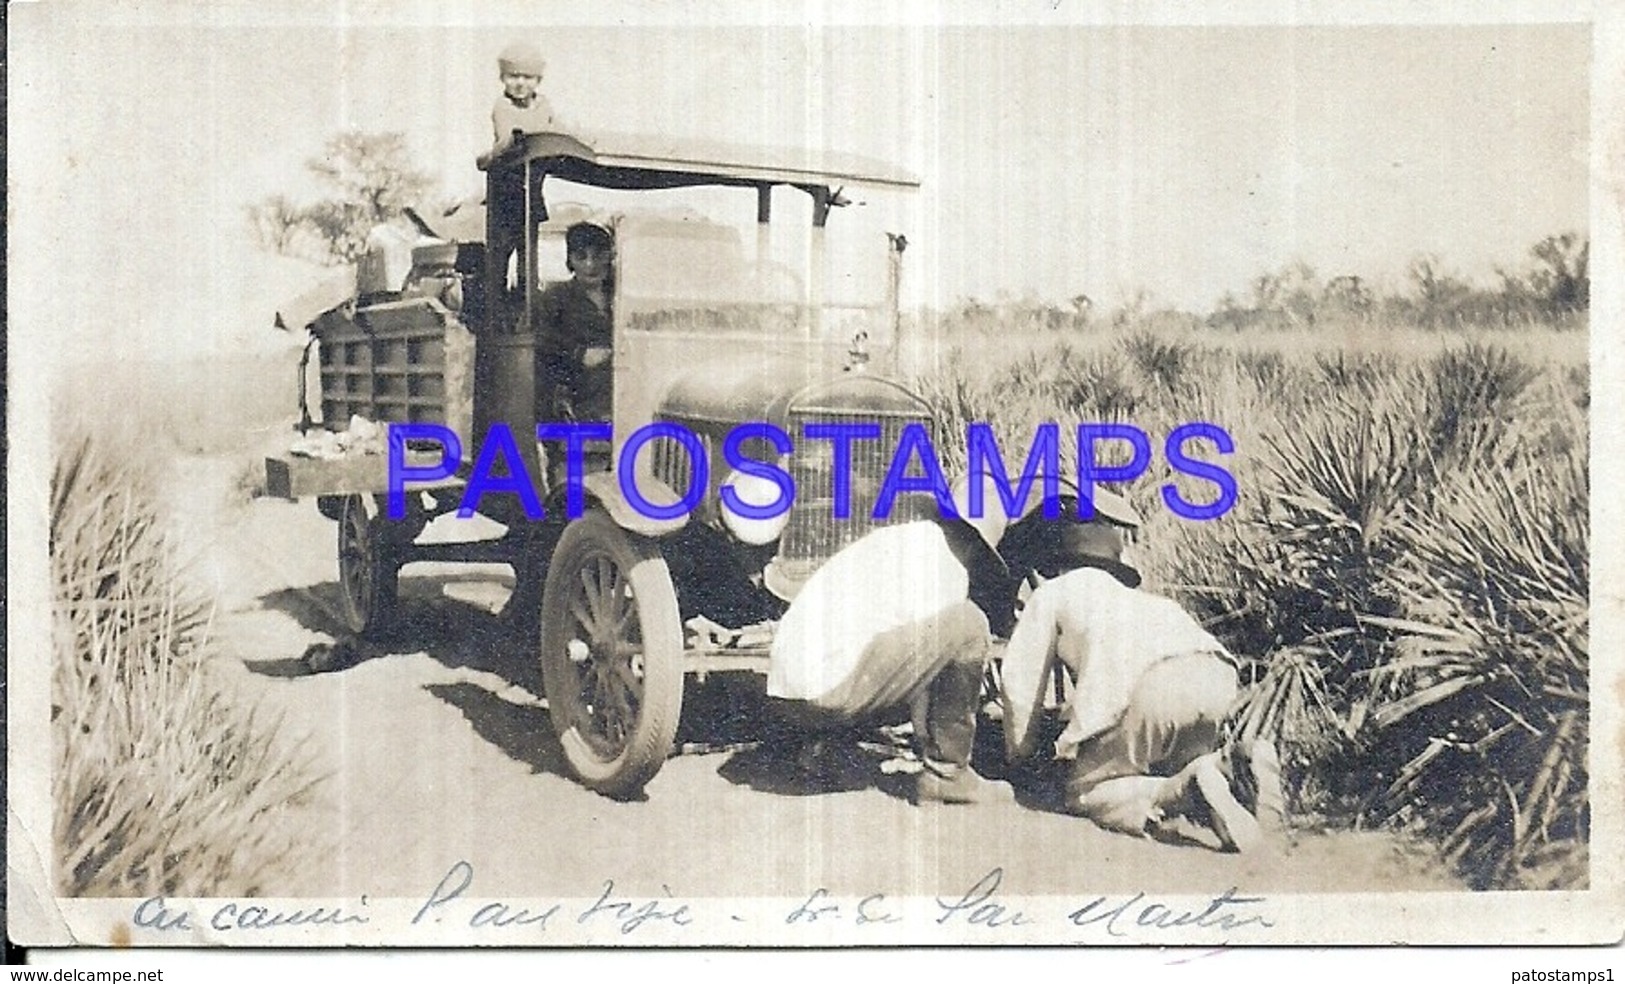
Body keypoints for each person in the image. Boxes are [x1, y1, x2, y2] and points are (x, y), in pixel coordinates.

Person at [996, 486, 1285, 852]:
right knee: (1169, 760)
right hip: (1214, 676)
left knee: (1086, 790)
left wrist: (1020, 757)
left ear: (1052, 564)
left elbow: (1020, 687)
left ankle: (1184, 789)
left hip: (1150, 687)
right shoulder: (1149, 601)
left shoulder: (1054, 592)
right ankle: (1233, 763)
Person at [766, 479, 1016, 805]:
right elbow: (925, 679)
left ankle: (825, 747)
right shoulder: (948, 567)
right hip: (827, 692)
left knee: (871, 644)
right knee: (970, 625)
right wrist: (927, 741)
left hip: (786, 692)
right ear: (977, 544)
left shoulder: (895, 540)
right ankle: (948, 775)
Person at [534, 221, 615, 426]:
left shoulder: (623, 295)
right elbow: (542, 340)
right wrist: (580, 354)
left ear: (610, 257)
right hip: (578, 394)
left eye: (598, 256)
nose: (590, 264)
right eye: (581, 257)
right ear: (570, 260)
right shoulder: (556, 298)